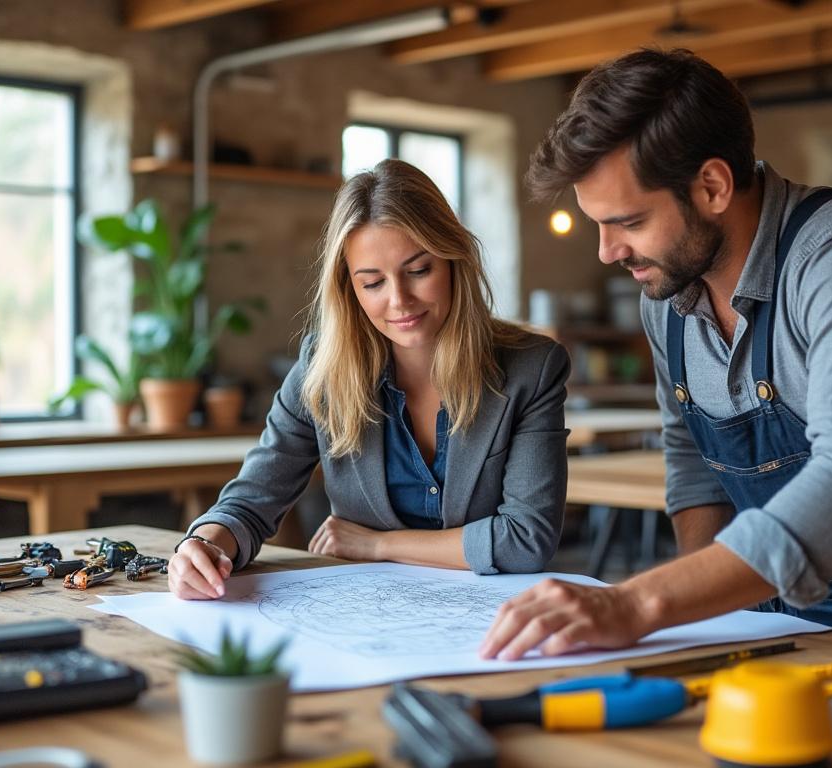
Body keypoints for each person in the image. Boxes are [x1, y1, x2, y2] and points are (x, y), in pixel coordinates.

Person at [480, 48, 832, 662]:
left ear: (712, 186)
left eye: (629, 222)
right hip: (772, 610)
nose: (607, 252)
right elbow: (693, 462)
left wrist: (639, 603)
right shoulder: (665, 296)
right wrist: (708, 612)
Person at [170, 159, 570, 600]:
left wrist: (378, 544)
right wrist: (204, 543)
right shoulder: (322, 368)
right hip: (364, 612)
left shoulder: (532, 368)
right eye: (373, 282)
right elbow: (250, 501)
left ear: (454, 261)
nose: (399, 300)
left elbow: (527, 539)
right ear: (350, 290)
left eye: (418, 271)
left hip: (492, 615)